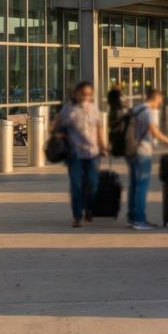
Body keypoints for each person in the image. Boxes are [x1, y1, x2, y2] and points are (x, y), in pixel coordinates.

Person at [52, 81, 108, 228]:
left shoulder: (94, 109)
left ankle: (89, 209)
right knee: (76, 185)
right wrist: (63, 136)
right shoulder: (68, 110)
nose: (85, 96)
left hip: (93, 152)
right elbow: (55, 127)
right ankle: (77, 216)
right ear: (76, 94)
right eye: (83, 93)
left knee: (93, 184)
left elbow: (98, 129)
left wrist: (103, 147)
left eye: (89, 94)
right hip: (74, 153)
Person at [126, 88, 168, 230]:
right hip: (142, 152)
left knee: (133, 185)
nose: (159, 105)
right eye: (159, 102)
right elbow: (153, 131)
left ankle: (131, 217)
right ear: (154, 99)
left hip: (130, 152)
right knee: (142, 187)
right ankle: (140, 220)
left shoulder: (137, 109)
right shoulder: (149, 111)